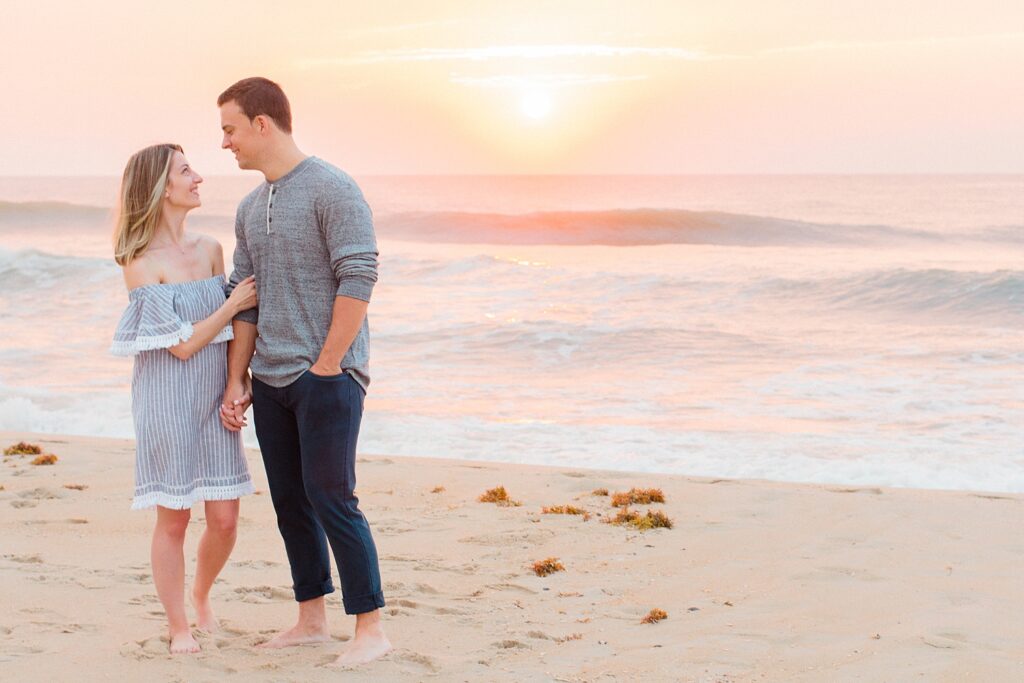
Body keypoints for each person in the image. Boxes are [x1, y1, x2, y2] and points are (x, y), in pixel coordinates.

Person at [217, 77, 391, 666]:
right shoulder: (248, 207)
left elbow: (359, 276)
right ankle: (311, 619)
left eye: (230, 129)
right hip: (268, 378)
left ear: (262, 124)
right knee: (291, 501)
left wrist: (328, 363)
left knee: (332, 496)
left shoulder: (332, 188)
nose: (225, 143)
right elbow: (247, 301)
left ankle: (370, 627)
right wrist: (237, 379)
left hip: (327, 376)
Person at [110, 144, 259, 654]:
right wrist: (234, 302)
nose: (198, 177)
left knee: (225, 518)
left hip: (213, 397)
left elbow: (234, 331)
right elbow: (180, 343)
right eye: (186, 170)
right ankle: (178, 626)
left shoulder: (210, 248)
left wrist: (238, 384)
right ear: (160, 187)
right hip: (166, 402)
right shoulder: (140, 262)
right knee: (174, 517)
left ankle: (200, 594)